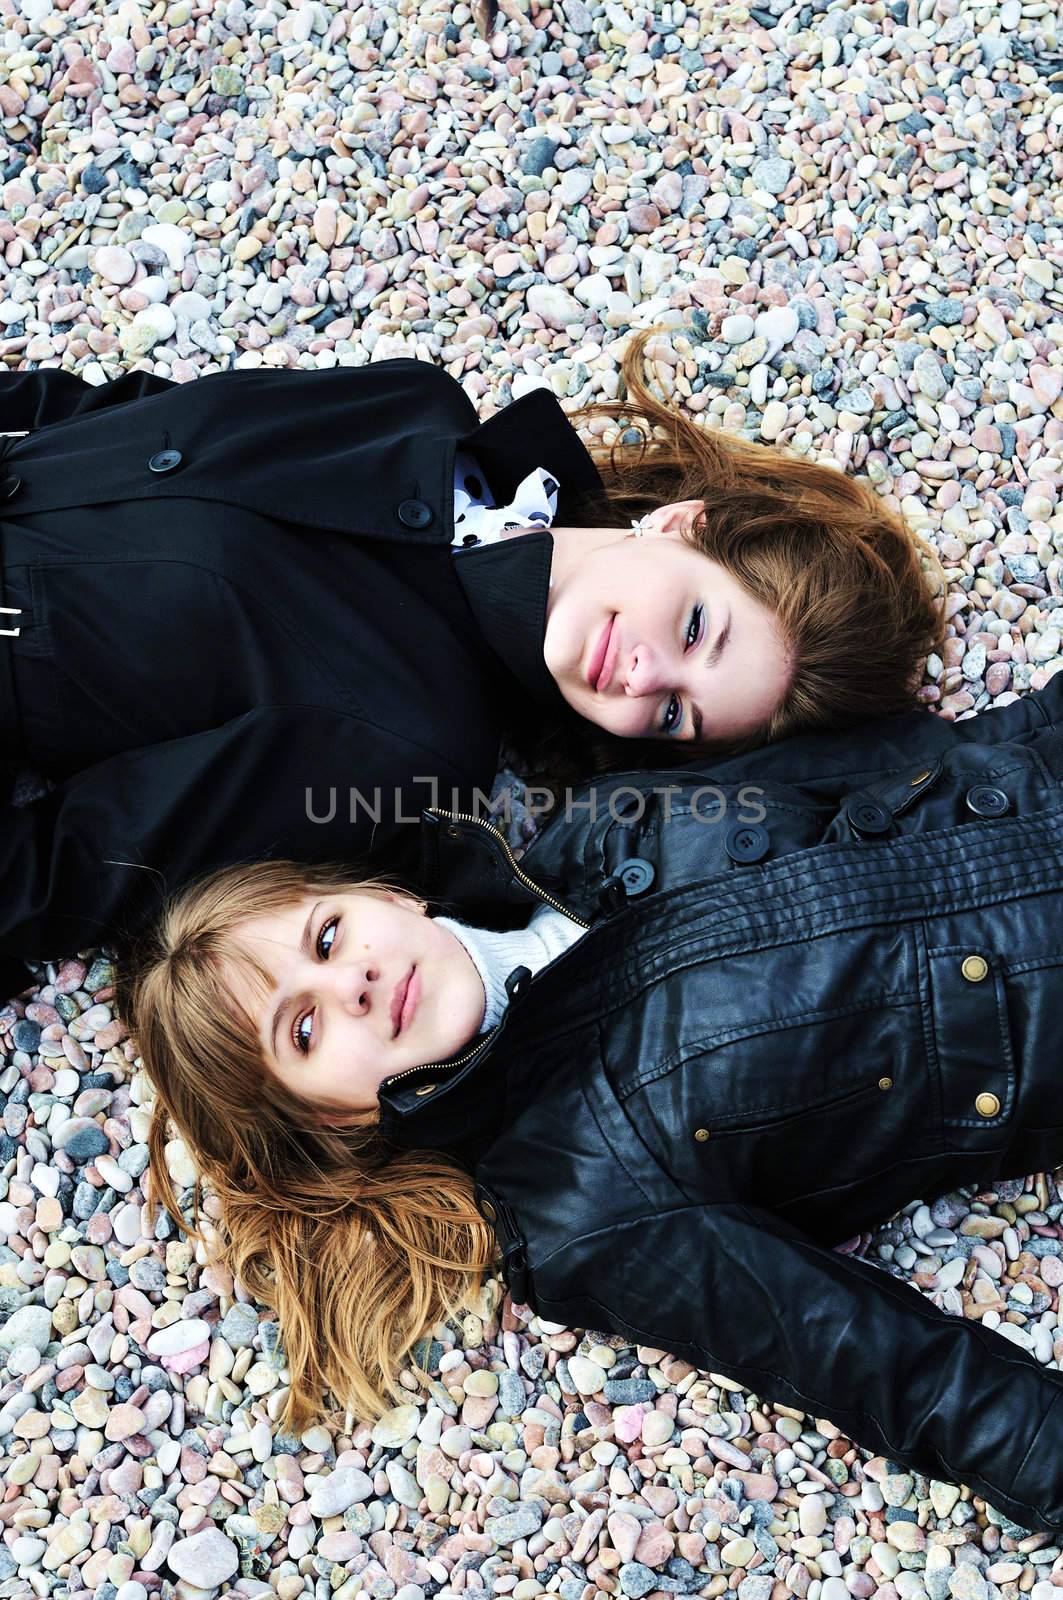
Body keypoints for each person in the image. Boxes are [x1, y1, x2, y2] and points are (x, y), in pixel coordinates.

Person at [117, 673, 1063, 1536]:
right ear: (330, 1119)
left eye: (327, 937)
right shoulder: (576, 1197)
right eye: (306, 1031)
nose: (352, 985)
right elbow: (891, 1368)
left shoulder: (599, 825)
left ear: (384, 895)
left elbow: (912, 757)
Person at [0, 321, 945, 993]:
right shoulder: (413, 406)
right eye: (696, 629)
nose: (645, 676)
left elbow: (56, 874)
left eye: (673, 715)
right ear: (681, 525)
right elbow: (111, 415)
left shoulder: (400, 743)